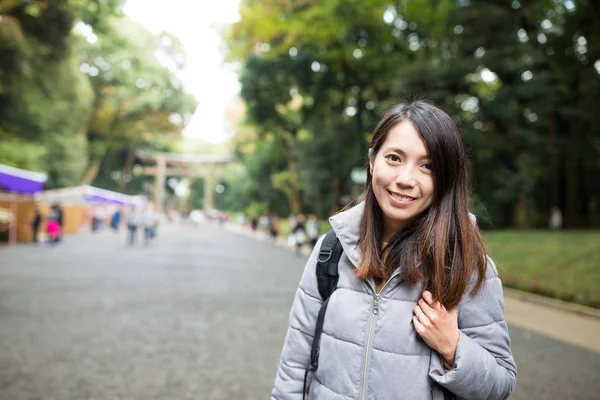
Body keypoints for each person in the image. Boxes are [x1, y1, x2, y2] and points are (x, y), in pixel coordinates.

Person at [271, 101, 516, 399]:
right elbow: (294, 366)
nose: (405, 179)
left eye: (428, 166)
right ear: (373, 161)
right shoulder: (331, 251)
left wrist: (453, 347)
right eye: (394, 158)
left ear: (446, 178)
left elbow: (500, 385)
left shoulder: (466, 263)